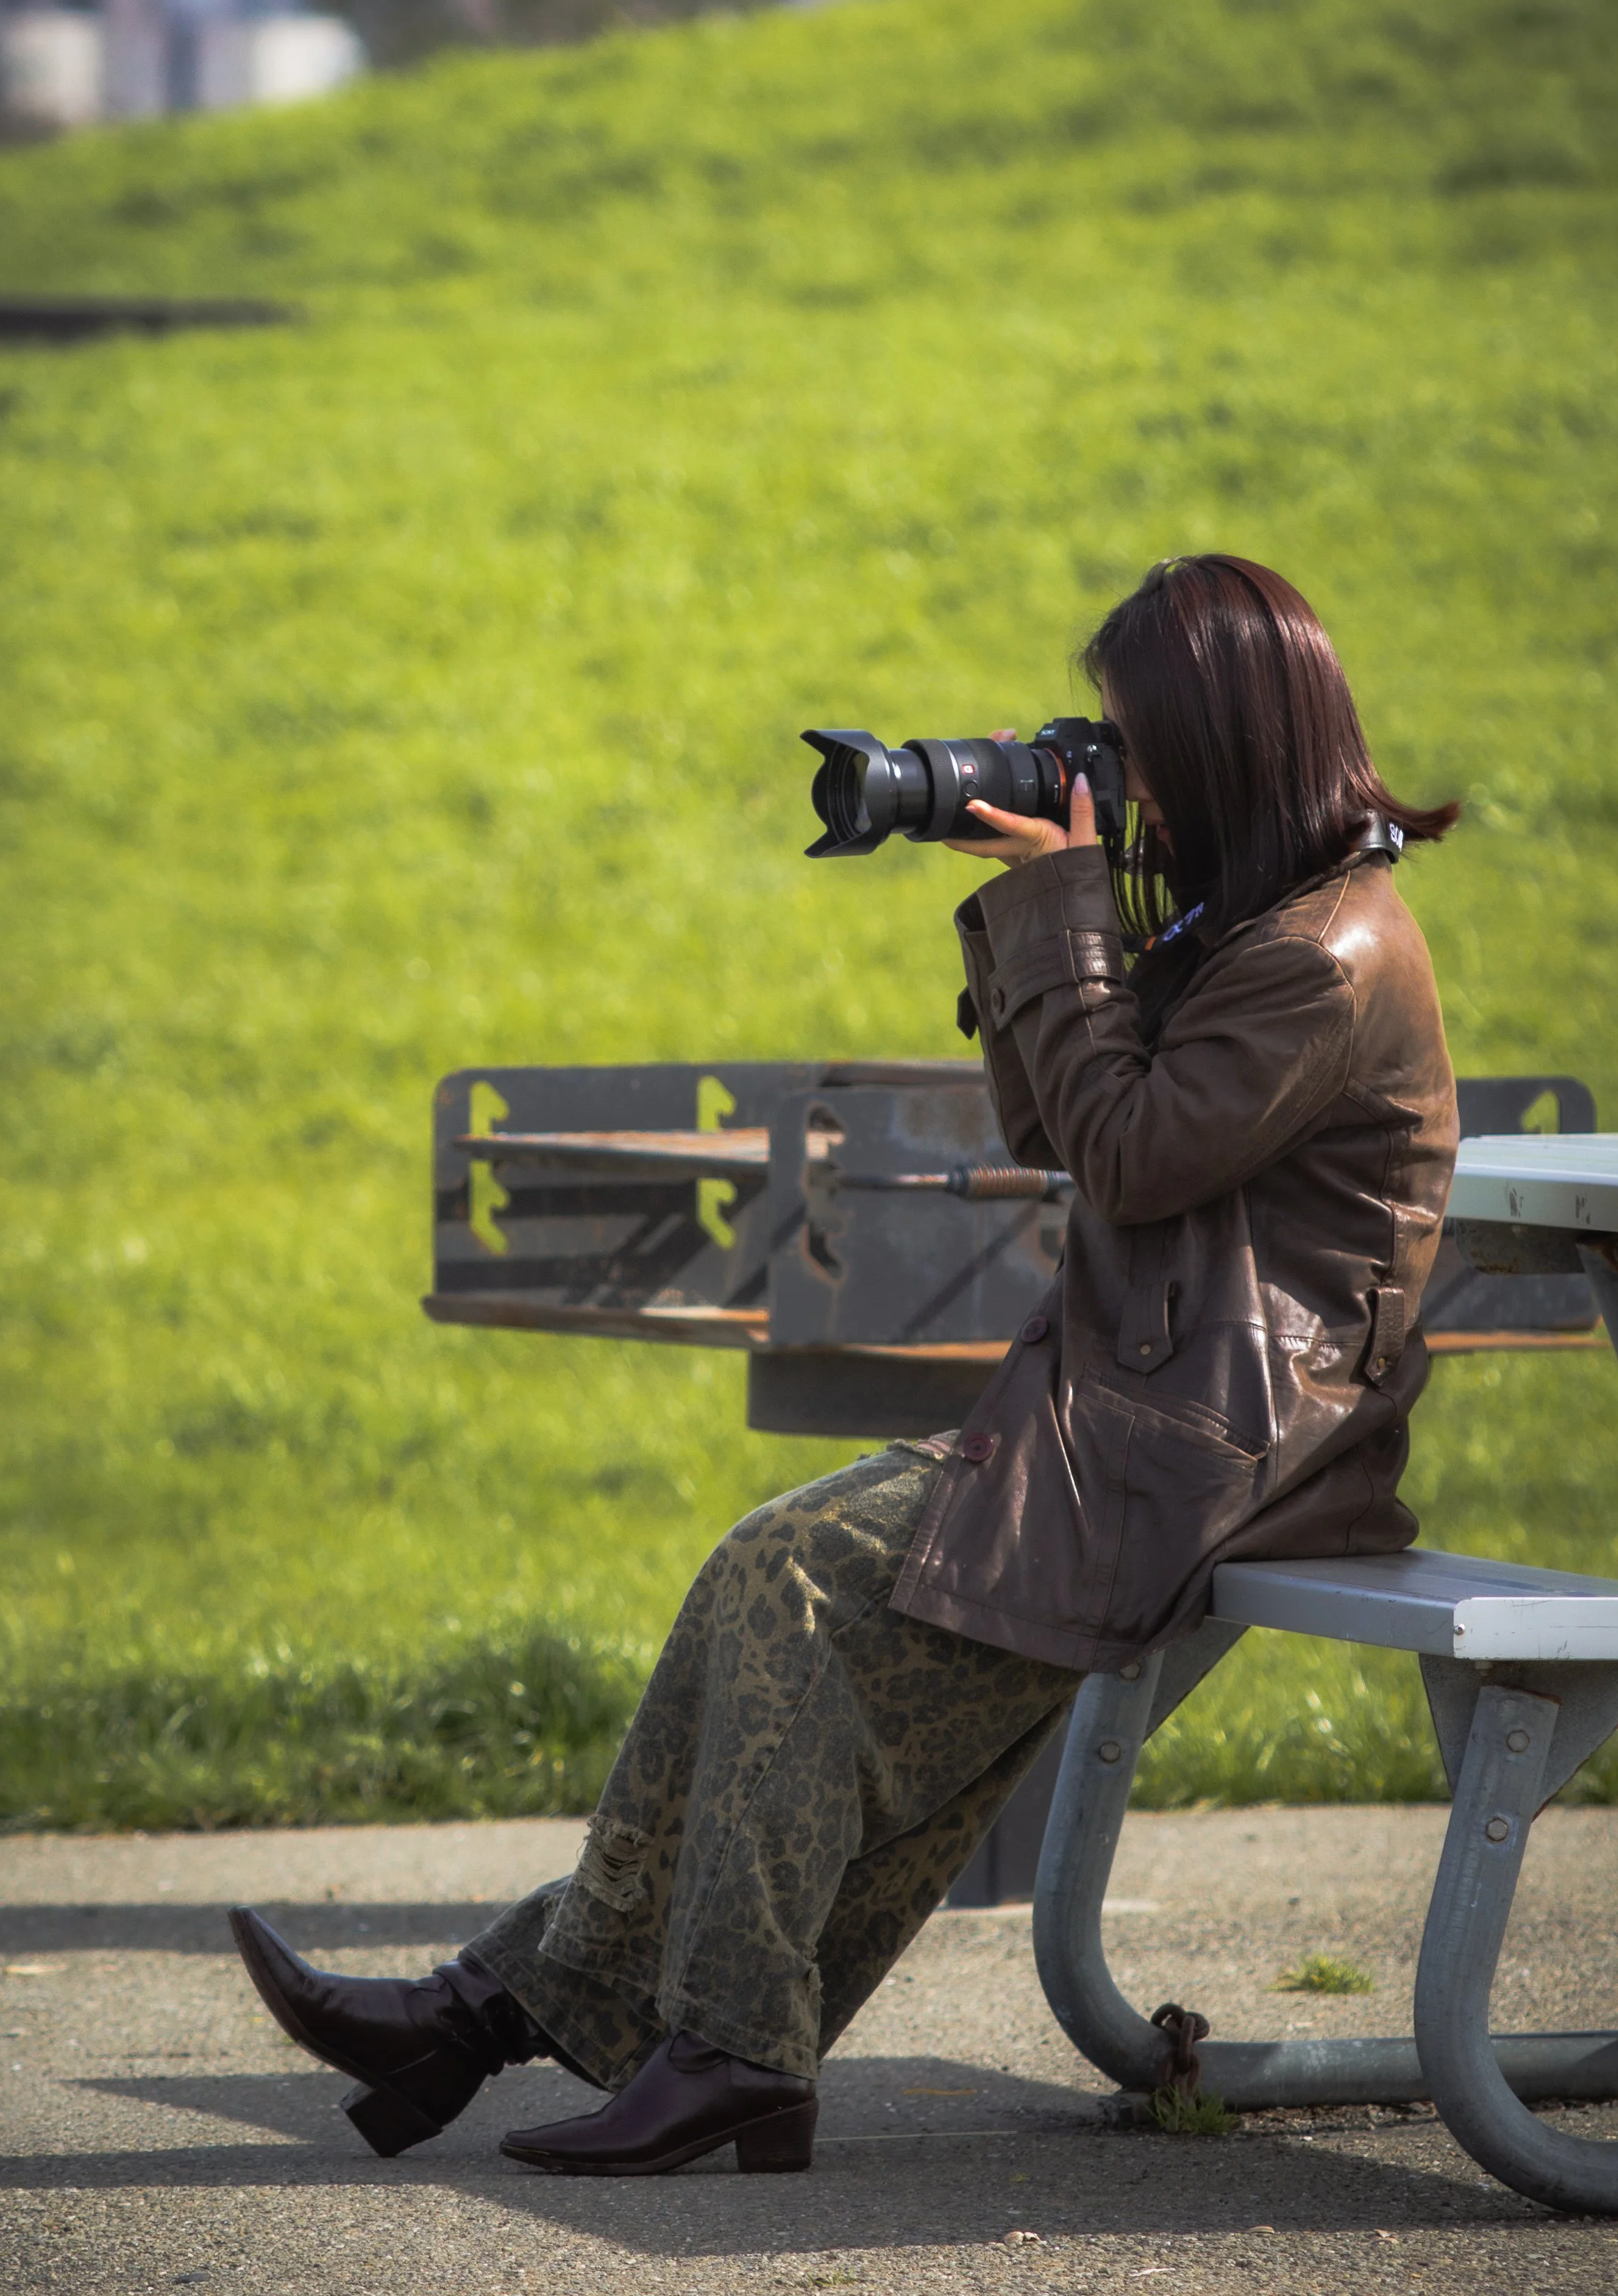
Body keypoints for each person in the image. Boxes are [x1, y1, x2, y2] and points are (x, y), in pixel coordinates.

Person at [230, 552, 1459, 2177]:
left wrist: (1060, 908)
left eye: (1131, 743)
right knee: (791, 1612)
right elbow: (1057, 1128)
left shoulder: (1326, 953)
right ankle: (573, 2025)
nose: (1115, 775)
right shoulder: (1255, 922)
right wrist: (1047, 905)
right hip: (1145, 1428)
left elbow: (1132, 1155)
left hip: (1234, 1458)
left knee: (802, 1593)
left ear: (1224, 740)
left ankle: (652, 2037)